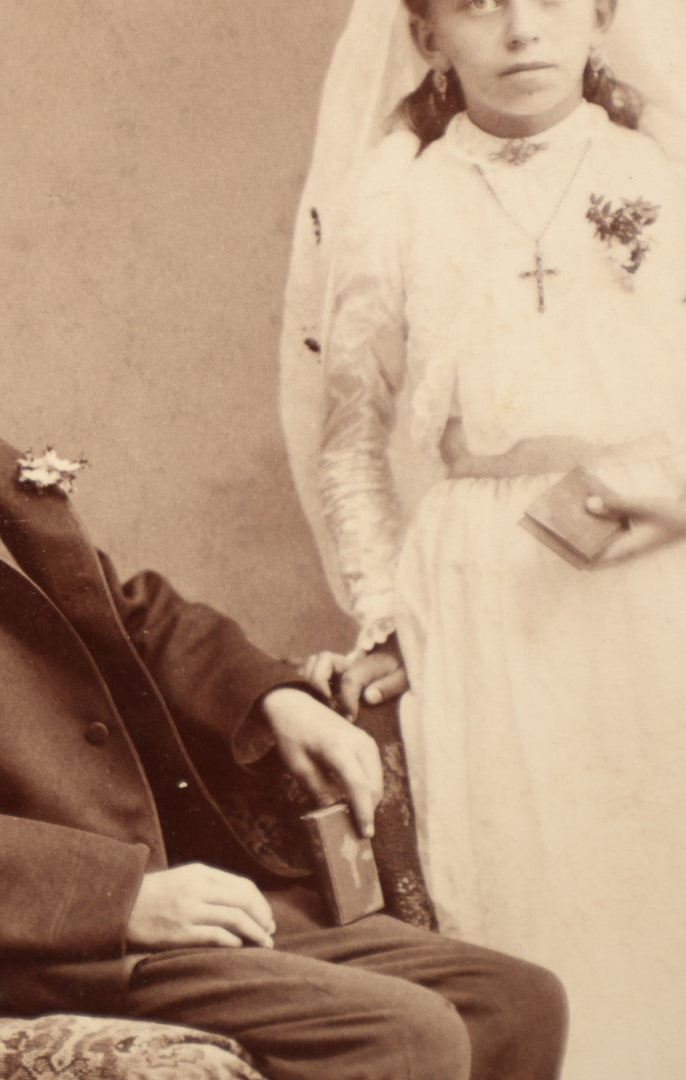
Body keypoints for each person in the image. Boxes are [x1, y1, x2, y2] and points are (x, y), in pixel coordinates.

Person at [0, 147, 567, 1080]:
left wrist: (272, 698)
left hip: (134, 898)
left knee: (511, 1000)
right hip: (4, 944)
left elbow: (127, 614)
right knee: (400, 1035)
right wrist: (120, 899)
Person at [295, 1, 686, 1074]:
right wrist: (379, 614)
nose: (519, 31)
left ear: (600, 21)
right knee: (520, 873)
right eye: (477, 4)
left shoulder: (662, 169)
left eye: (550, 0)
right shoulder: (396, 197)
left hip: (659, 571)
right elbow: (349, 439)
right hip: (478, 584)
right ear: (424, 37)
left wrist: (665, 492)